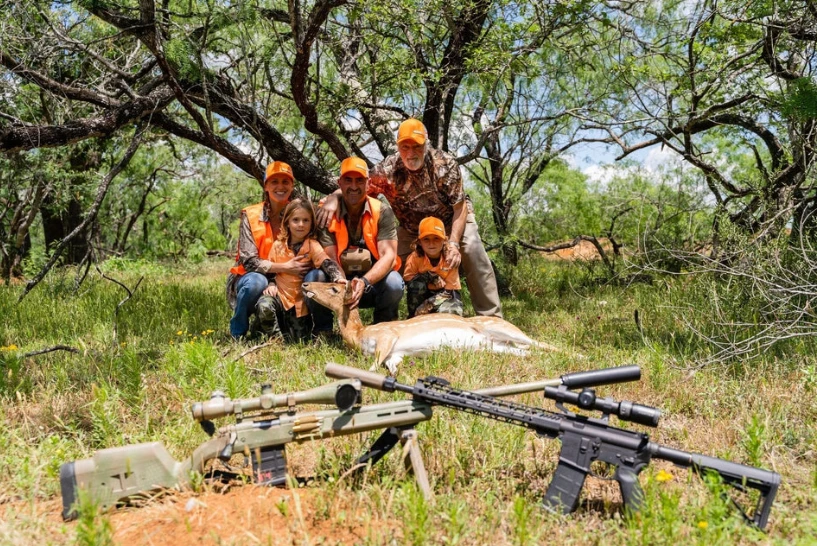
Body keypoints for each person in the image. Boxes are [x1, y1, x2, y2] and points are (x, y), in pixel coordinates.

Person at [316, 119, 502, 317]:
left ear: (426, 144)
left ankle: (491, 316)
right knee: (390, 263)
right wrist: (334, 197)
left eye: (417, 146)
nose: (411, 153)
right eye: (405, 147)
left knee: (472, 250)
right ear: (398, 147)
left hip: (451, 222)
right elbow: (358, 185)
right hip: (412, 230)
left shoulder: (445, 165)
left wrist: (454, 243)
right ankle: (395, 317)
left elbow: (460, 206)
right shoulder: (388, 169)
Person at [305, 156, 404, 332]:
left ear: (368, 183)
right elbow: (330, 257)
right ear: (340, 183)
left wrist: (364, 282)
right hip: (339, 281)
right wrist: (344, 284)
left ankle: (382, 328)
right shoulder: (326, 212)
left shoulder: (382, 211)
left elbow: (388, 257)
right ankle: (323, 332)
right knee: (314, 277)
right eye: (348, 180)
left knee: (394, 282)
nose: (353, 186)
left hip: (370, 283)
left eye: (359, 180)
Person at [227, 161, 311, 339]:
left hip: (288, 279)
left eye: (285, 182)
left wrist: (334, 197)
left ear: (292, 186)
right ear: (266, 186)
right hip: (251, 276)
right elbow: (249, 262)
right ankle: (238, 332)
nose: (280, 187)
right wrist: (285, 268)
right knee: (256, 283)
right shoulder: (251, 215)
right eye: (274, 182)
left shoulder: (299, 213)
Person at [256, 199, 344, 342]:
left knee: (298, 339)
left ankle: (316, 331)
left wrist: (337, 277)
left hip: (299, 304)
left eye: (306, 220)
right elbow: (270, 271)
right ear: (287, 222)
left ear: (312, 223)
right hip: (280, 297)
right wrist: (271, 284)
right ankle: (274, 340)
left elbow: (326, 262)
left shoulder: (312, 245)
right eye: (296, 220)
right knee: (264, 305)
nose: (301, 224)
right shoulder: (277, 245)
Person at [403, 216, 464, 318]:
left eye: (436, 238)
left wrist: (429, 303)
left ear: (444, 240)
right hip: (423, 295)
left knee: (451, 312)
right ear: (419, 242)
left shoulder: (450, 258)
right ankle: (414, 317)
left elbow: (451, 289)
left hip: (446, 295)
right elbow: (409, 281)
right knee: (416, 284)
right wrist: (430, 276)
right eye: (426, 239)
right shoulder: (414, 258)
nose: (431, 243)